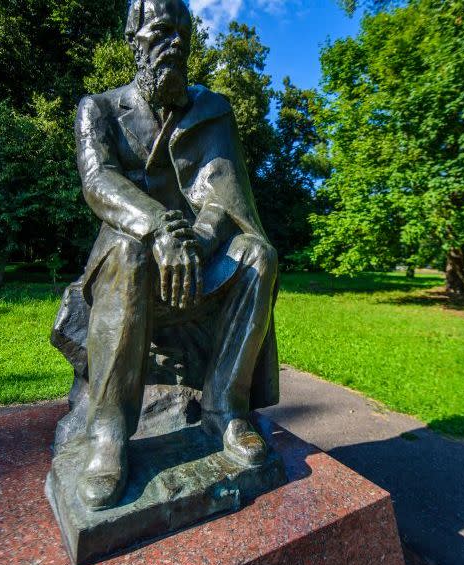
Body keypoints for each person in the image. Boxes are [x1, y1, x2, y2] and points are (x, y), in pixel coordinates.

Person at [74, 0, 279, 510]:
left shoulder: (212, 109)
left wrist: (196, 241)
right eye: (163, 30)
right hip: (129, 258)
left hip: (195, 256)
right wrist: (158, 229)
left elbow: (222, 196)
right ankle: (109, 430)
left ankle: (225, 410)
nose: (176, 44)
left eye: (184, 34)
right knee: (129, 250)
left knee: (257, 256)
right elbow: (99, 181)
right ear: (134, 37)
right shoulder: (98, 109)